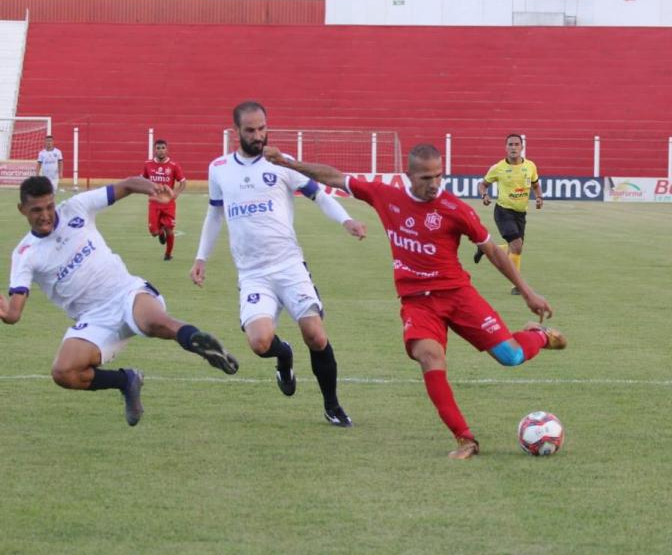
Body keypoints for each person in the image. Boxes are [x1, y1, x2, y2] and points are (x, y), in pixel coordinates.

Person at [264, 143, 566, 460]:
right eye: (425, 177)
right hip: (418, 302)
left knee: (511, 357)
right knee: (429, 357)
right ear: (408, 176)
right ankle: (466, 439)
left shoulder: (455, 208)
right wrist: (289, 162)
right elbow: (336, 178)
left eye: (438, 175)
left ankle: (538, 335)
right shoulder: (386, 195)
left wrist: (528, 291)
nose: (433, 183)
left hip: (458, 296)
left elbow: (492, 251)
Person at [0, 176, 239, 426]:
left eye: (49, 206)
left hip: (126, 293)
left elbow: (128, 184)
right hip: (94, 320)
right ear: (22, 210)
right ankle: (126, 381)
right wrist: (7, 313)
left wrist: (154, 189)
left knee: (155, 323)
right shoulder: (24, 254)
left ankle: (201, 344)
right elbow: (15, 311)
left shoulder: (76, 207)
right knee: (64, 372)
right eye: (37, 210)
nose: (46, 215)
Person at [189, 101, 366, 427]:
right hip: (253, 273)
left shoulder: (282, 164)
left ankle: (332, 405)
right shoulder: (219, 169)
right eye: (250, 130)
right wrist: (201, 257)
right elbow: (215, 213)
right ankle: (283, 356)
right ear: (236, 132)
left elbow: (319, 194)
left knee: (315, 334)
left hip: (289, 266)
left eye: (262, 129)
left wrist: (346, 220)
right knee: (259, 343)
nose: (258, 136)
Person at [473, 134, 543, 295]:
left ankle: (486, 247)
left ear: (522, 147)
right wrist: (484, 195)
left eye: (516, 144)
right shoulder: (498, 168)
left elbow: (536, 185)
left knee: (516, 249)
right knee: (517, 245)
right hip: (503, 211)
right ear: (506, 147)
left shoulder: (530, 166)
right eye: (510, 144)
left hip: (520, 213)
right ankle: (517, 285)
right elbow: (482, 184)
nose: (513, 147)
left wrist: (539, 197)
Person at [142, 139, 186, 261]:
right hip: (154, 203)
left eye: (163, 148)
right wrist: (146, 189)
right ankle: (160, 232)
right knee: (154, 232)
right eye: (158, 148)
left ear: (166, 149)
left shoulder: (173, 166)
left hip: (168, 204)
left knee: (170, 230)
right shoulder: (148, 164)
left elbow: (183, 182)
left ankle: (168, 254)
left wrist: (175, 194)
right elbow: (143, 180)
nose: (160, 150)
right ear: (154, 150)